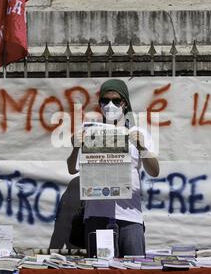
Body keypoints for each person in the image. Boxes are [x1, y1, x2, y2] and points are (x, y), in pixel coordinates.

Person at [67, 79, 160, 257]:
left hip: (130, 216)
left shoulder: (139, 134)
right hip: (97, 215)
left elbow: (154, 171)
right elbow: (72, 169)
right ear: (100, 104)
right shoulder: (89, 133)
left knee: (135, 270)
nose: (110, 105)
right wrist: (76, 147)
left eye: (116, 101)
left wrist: (142, 148)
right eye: (105, 100)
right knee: (101, 271)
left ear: (125, 103)